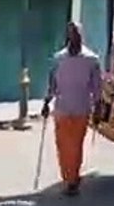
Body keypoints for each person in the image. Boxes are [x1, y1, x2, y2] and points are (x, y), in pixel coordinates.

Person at [40, 21, 103, 196]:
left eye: (78, 33)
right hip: (61, 108)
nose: (75, 36)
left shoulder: (91, 59)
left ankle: (73, 179)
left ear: (82, 36)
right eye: (72, 33)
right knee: (62, 145)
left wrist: (98, 108)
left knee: (76, 146)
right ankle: (68, 176)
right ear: (68, 36)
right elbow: (52, 83)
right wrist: (46, 102)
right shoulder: (59, 58)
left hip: (81, 109)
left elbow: (97, 86)